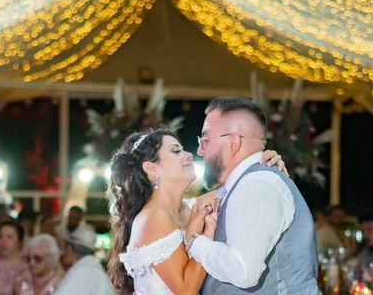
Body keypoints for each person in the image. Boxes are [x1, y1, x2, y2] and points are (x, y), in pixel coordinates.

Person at [107, 125, 287, 294]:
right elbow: (185, 290)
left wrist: (263, 164)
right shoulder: (153, 217)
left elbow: (240, 186)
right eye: (176, 151)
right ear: (152, 168)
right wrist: (204, 235)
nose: (189, 155)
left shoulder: (191, 208)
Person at [186, 96, 320, 293]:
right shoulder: (242, 186)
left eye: (205, 140)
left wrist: (194, 242)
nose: (199, 149)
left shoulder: (257, 184)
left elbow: (244, 271)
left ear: (233, 142)